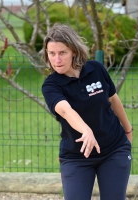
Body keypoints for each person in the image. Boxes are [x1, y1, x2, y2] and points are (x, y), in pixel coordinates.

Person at [41, 23, 133, 200]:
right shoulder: (51, 85)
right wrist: (86, 130)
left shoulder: (96, 69)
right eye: (51, 54)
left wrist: (128, 129)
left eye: (62, 53)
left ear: (74, 51)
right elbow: (66, 111)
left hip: (113, 149)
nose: (56, 59)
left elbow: (113, 99)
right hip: (77, 157)